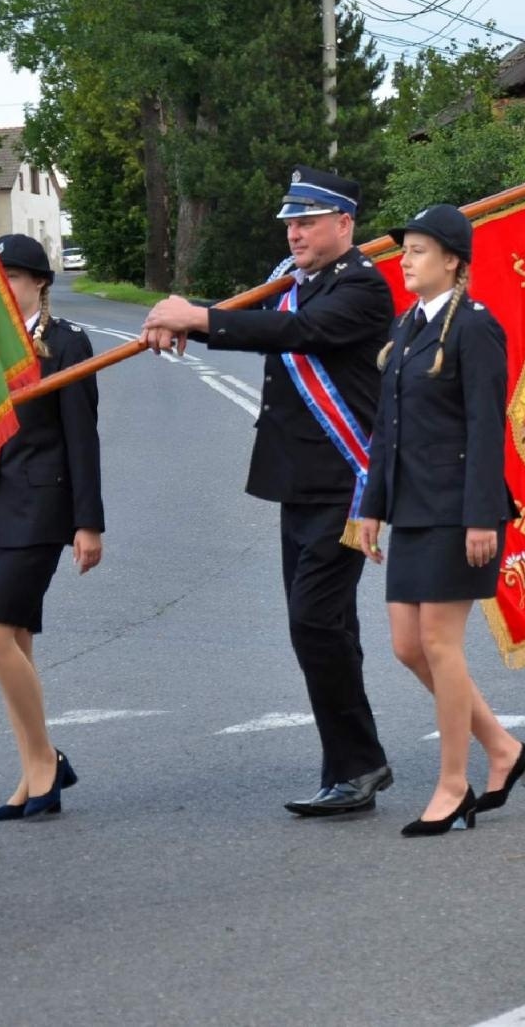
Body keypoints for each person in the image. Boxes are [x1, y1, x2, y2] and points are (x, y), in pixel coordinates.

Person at [143, 167, 393, 815]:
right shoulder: (293, 283)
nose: (295, 229)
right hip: (300, 483)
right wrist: (185, 322)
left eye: (308, 220)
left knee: (314, 620)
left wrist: (197, 316)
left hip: (346, 481)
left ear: (345, 223)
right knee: (328, 625)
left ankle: (359, 763)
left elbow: (294, 334)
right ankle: (351, 766)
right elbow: (250, 319)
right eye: (291, 220)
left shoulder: (363, 286)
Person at [357, 205, 525, 837]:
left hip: (460, 512)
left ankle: (453, 784)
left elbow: (488, 426)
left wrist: (483, 514)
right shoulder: (407, 328)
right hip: (410, 508)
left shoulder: (475, 328)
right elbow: (387, 430)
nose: (405, 259)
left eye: (420, 250)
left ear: (453, 261)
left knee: (439, 643)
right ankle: (504, 749)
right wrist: (370, 508)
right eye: (405, 250)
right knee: (407, 646)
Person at [0, 233, 103, 820]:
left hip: (42, 508)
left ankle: (45, 761)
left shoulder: (67, 344)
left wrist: (87, 524)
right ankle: (36, 770)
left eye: (13, 277)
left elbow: (81, 438)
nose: (2, 287)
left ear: (40, 282)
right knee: (14, 643)